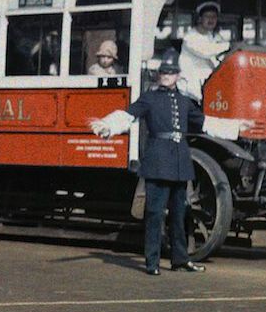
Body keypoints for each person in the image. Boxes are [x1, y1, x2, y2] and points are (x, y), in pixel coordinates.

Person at [90, 49, 253, 275]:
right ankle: (152, 262)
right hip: (157, 161)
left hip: (179, 163)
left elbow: (205, 122)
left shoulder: (184, 101)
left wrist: (236, 126)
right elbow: (129, 115)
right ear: (159, 75)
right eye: (163, 72)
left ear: (177, 75)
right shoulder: (149, 98)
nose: (166, 76)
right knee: (155, 214)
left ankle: (180, 259)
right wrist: (107, 125)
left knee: (180, 214)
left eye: (171, 72)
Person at [178, 1, 231, 101]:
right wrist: (229, 45)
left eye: (214, 17)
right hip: (190, 93)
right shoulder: (190, 37)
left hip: (209, 90)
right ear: (200, 18)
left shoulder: (216, 37)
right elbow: (205, 51)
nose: (211, 20)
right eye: (207, 16)